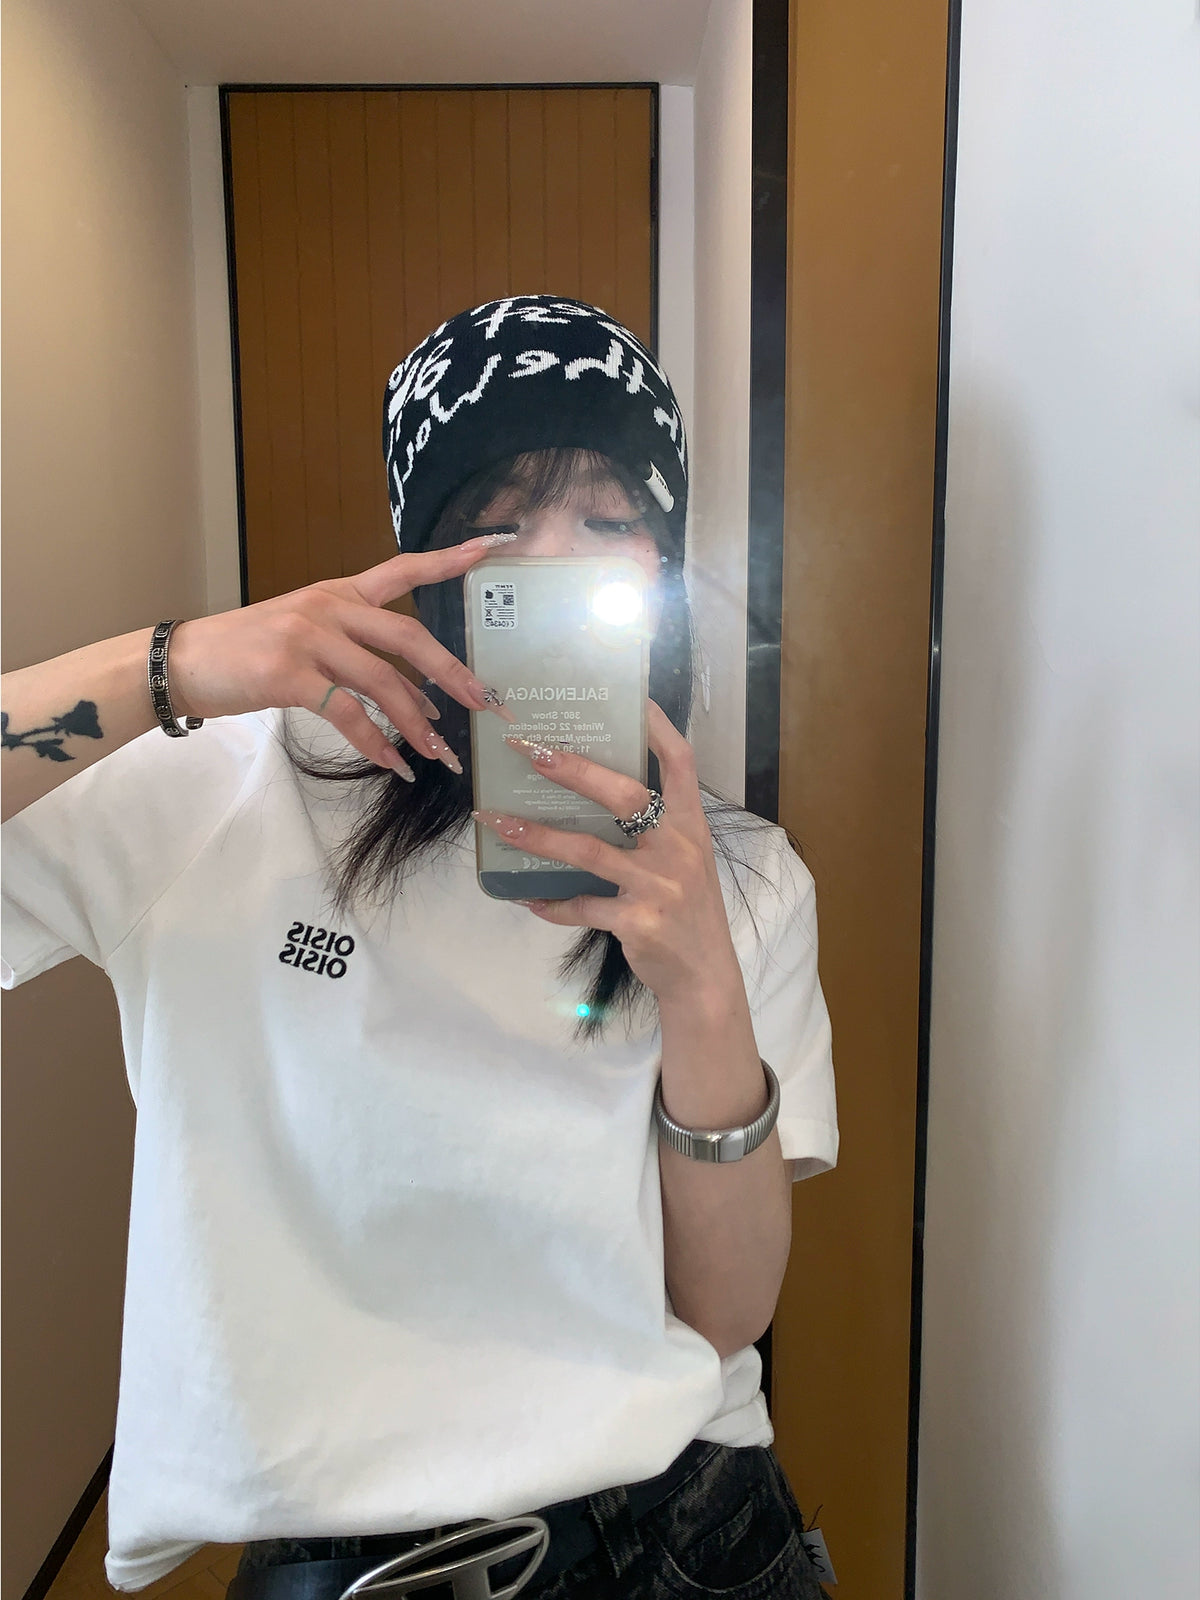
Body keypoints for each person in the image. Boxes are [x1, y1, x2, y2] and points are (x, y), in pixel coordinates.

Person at [1, 296, 838, 1600]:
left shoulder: (738, 878)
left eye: (609, 520)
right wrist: (174, 665)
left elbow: (722, 1318)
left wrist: (701, 985)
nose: (550, 562)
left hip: (684, 1542)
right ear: (420, 559)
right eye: (495, 522)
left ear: (662, 568)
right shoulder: (223, 788)